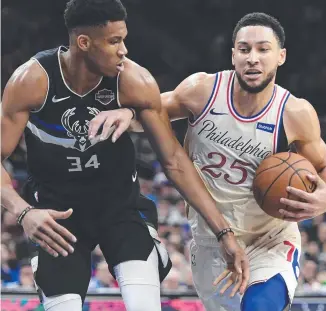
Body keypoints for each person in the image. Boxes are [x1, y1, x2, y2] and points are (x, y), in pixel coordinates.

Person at [1, 1, 248, 310]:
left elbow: (174, 162)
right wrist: (24, 213)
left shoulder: (134, 82)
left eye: (124, 39)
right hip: (56, 215)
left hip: (120, 209)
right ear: (84, 43)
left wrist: (224, 231)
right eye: (114, 41)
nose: (124, 50)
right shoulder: (32, 82)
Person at [93, 12, 326, 311]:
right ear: (233, 55)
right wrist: (128, 113)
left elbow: (325, 167)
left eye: (263, 49)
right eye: (244, 49)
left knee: (261, 306)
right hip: (211, 243)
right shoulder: (202, 91)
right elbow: (152, 112)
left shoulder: (295, 113)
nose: (253, 58)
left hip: (269, 240)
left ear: (281, 56)